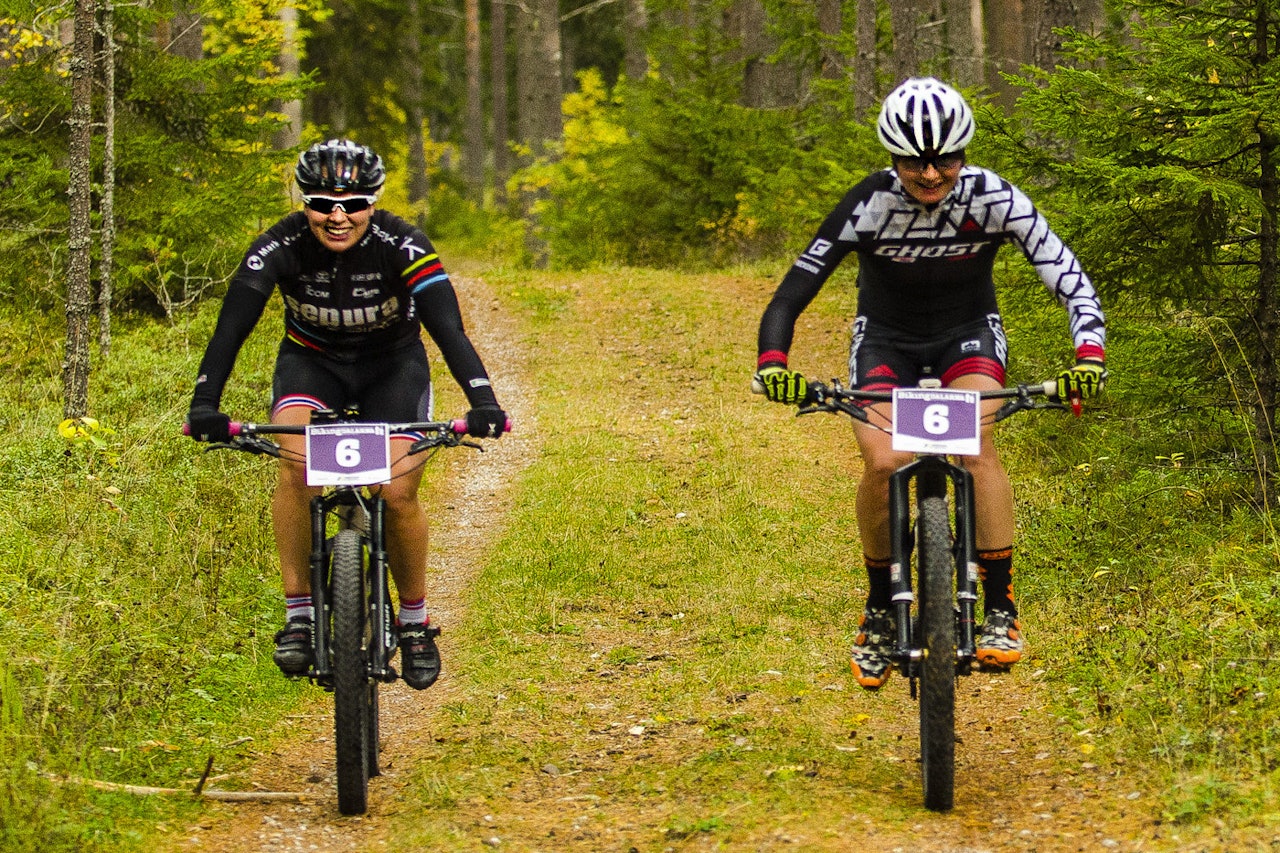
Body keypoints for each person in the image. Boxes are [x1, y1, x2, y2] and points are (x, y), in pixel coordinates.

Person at [754, 78, 1106, 689]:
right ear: (893, 157)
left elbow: (1066, 274)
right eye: (915, 161)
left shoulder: (994, 196)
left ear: (963, 153)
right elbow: (793, 291)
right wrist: (774, 363)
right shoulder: (867, 203)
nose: (930, 173)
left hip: (966, 337)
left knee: (973, 444)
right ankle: (879, 609)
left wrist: (1089, 352)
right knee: (886, 461)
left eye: (944, 158)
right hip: (886, 341)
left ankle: (1000, 608)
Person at [186, 138, 508, 690]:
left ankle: (413, 624)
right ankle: (299, 616)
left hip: (392, 368)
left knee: (396, 490)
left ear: (374, 203)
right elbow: (231, 327)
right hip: (313, 367)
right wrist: (204, 403)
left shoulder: (402, 244)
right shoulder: (278, 244)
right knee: (295, 467)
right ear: (303, 201)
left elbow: (447, 329)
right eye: (322, 202)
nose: (338, 216)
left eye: (354, 203)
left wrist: (482, 399)